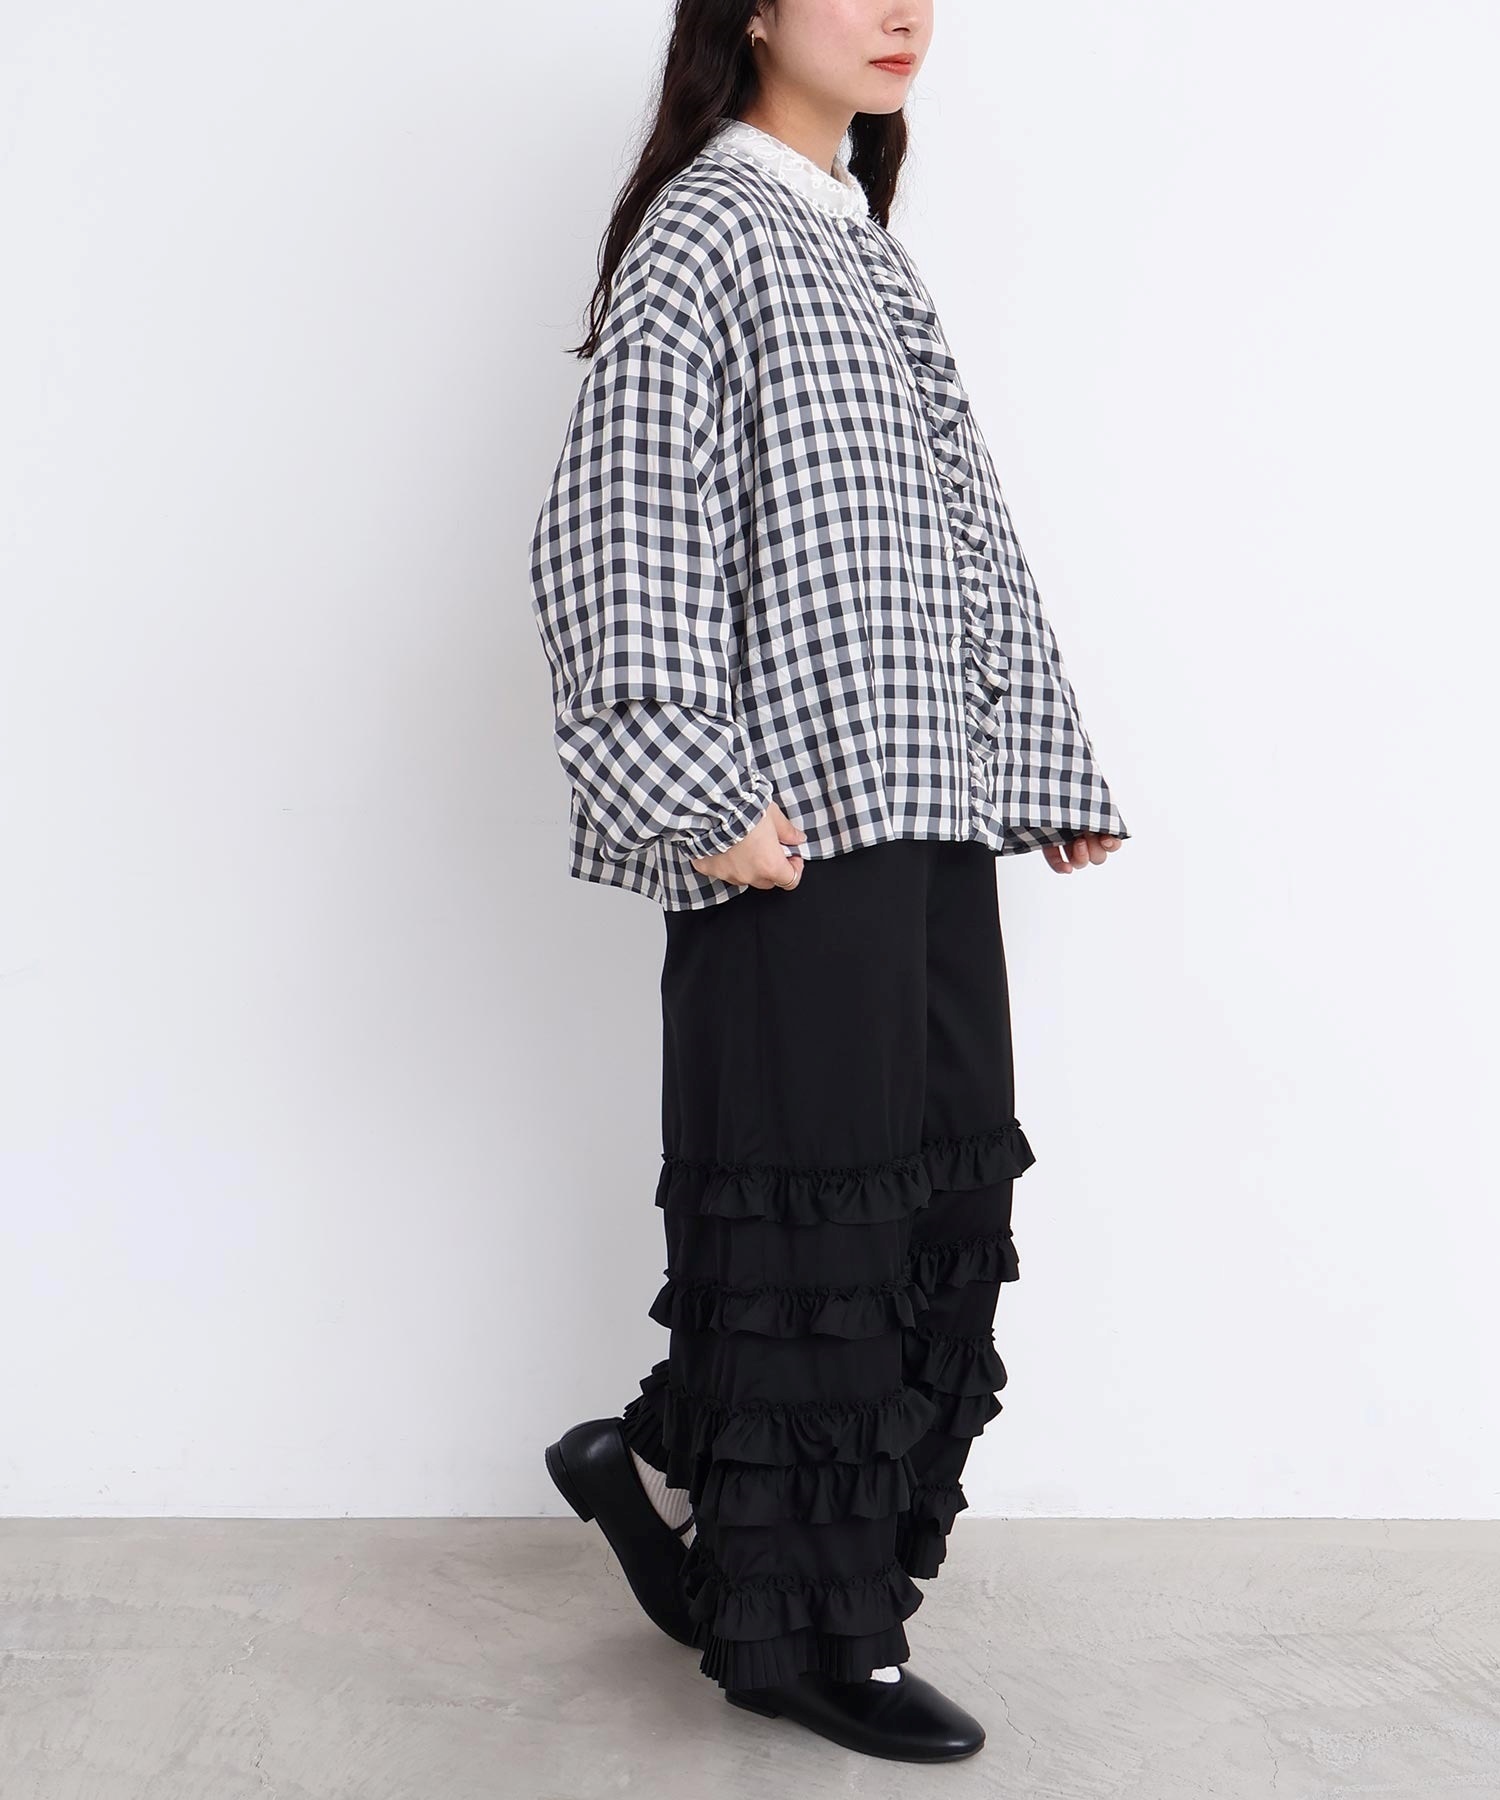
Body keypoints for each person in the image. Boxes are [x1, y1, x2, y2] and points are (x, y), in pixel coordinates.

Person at [530, 0, 1130, 1764]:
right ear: (751, 11)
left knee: (933, 1202)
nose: (901, 10)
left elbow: (964, 534)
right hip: (789, 831)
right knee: (823, 1220)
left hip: (920, 804)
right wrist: (695, 793)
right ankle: (803, 1638)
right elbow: (614, 527)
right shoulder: (711, 227)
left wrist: (1042, 758)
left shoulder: (853, 237)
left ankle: (669, 1469)